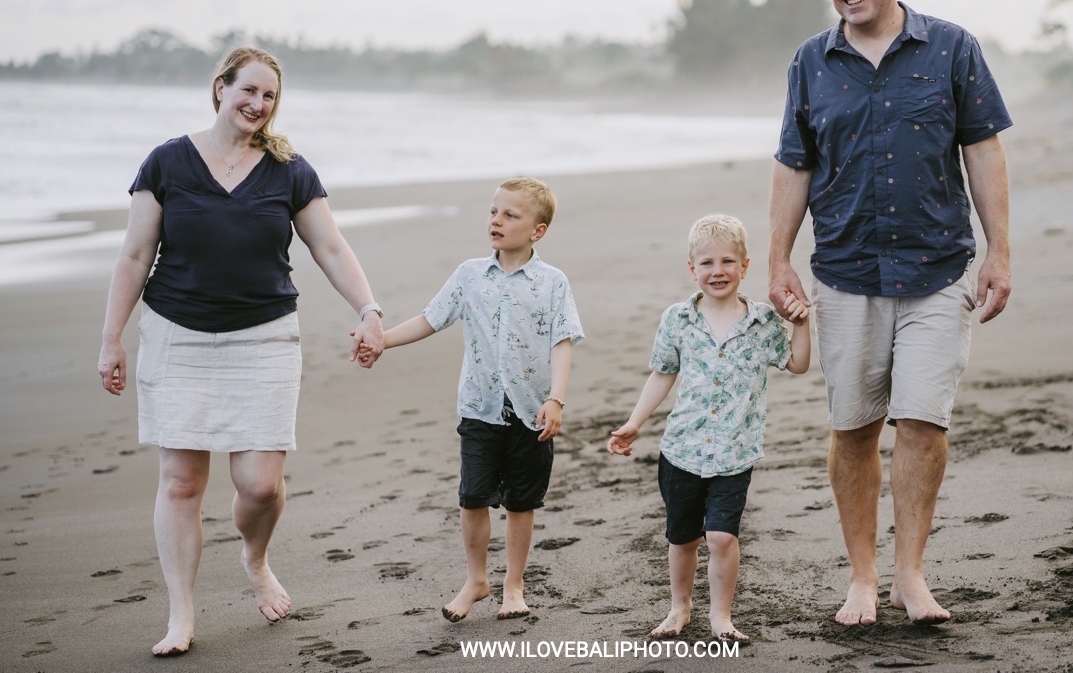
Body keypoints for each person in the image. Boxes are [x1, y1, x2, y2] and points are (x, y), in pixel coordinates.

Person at [97, 46, 385, 656]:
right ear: (220, 88)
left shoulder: (289, 169)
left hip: (264, 337)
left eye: (269, 95)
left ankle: (255, 559)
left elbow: (331, 248)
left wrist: (369, 310)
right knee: (181, 483)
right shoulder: (167, 162)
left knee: (260, 485)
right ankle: (181, 616)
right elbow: (134, 255)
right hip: (177, 335)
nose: (257, 103)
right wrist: (111, 338)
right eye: (248, 90)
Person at [768, 0, 1013, 627]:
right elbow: (794, 164)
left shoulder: (952, 48)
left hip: (938, 268)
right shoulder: (811, 62)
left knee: (923, 425)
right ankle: (863, 578)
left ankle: (910, 575)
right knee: (853, 428)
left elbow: (983, 149)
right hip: (845, 272)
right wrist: (779, 257)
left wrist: (1000, 250)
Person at [358, 176, 583, 623]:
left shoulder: (552, 283)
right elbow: (430, 318)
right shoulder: (470, 275)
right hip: (479, 408)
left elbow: (562, 342)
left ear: (538, 231)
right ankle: (476, 580)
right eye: (493, 211)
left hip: (531, 412)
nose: (496, 220)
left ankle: (513, 585)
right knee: (473, 497)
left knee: (521, 502)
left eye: (510, 215)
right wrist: (383, 340)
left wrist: (556, 399)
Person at [607, 214, 811, 643]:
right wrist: (634, 423)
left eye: (727, 261)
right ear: (692, 269)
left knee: (720, 537)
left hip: (735, 453)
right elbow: (662, 373)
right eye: (707, 263)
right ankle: (679, 607)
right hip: (682, 450)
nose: (718, 271)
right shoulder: (678, 319)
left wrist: (801, 324)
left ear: (744, 266)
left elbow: (797, 363)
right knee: (682, 539)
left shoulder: (763, 322)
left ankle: (721, 616)